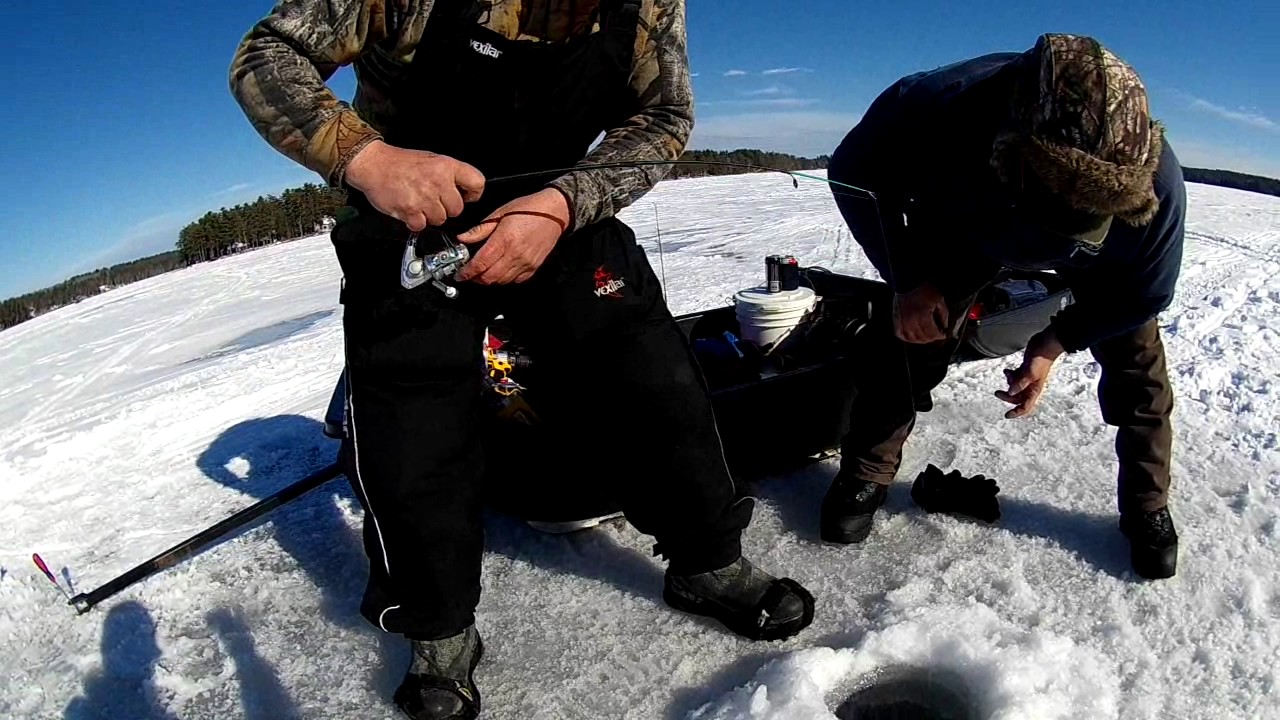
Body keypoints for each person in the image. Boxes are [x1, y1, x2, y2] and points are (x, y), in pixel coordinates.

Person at [229, 1, 814, 718]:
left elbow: (664, 116)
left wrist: (563, 205)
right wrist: (368, 158)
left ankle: (709, 562)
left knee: (654, 383)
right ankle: (440, 632)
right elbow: (266, 57)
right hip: (413, 225)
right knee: (411, 438)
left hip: (558, 211)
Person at [822, 33, 1184, 581]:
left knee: (1140, 373)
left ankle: (1148, 507)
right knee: (912, 336)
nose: (1064, 238)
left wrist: (1057, 340)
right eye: (1062, 208)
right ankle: (868, 469)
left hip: (1097, 267)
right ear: (1012, 148)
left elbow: (1144, 294)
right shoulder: (934, 108)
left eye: (1090, 216)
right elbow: (852, 171)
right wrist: (910, 281)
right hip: (972, 229)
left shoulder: (1154, 190)